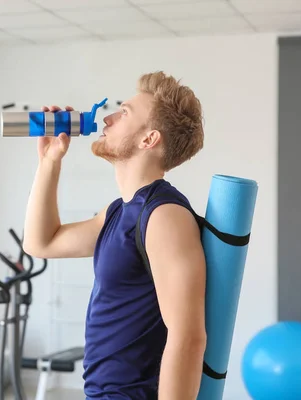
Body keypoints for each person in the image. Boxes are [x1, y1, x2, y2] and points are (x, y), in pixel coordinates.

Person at [22, 71, 207, 400]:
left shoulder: (164, 216)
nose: (107, 118)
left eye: (123, 113)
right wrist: (49, 161)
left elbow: (188, 337)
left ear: (148, 139)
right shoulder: (119, 212)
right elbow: (41, 243)